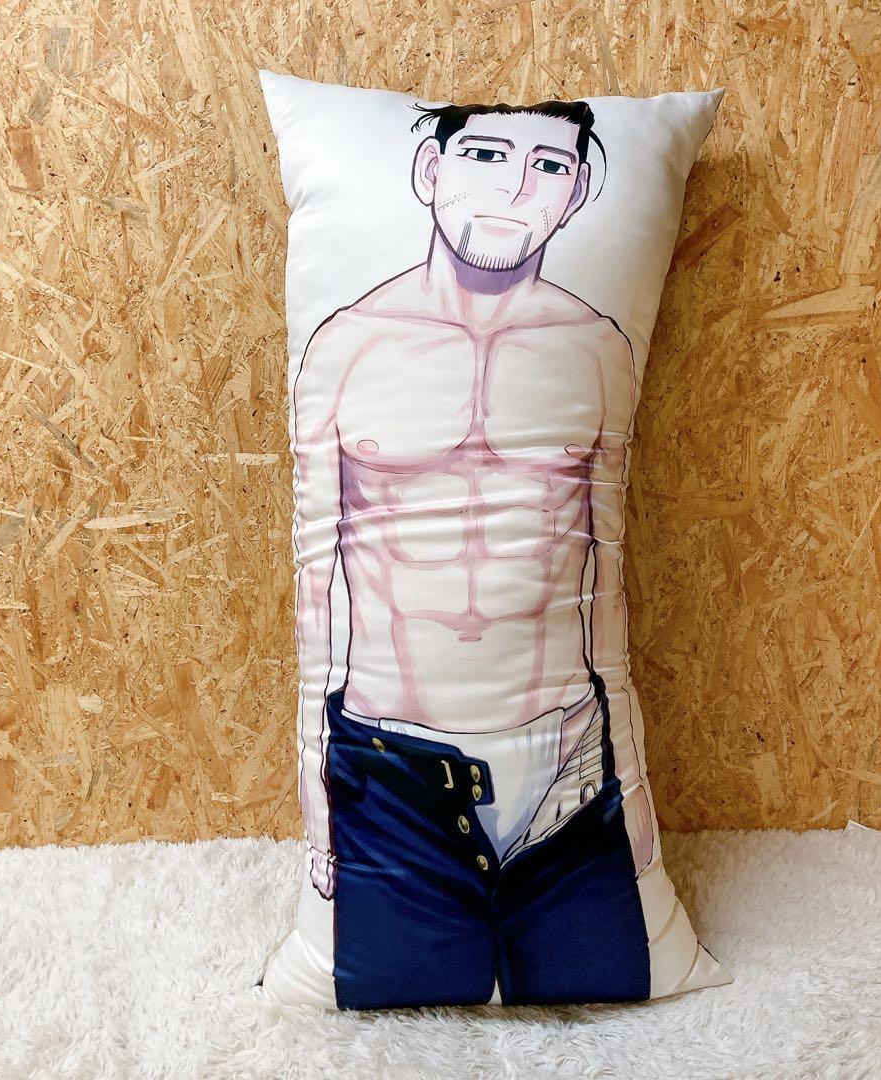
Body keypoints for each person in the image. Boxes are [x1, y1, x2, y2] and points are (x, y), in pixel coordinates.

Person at [290, 98, 658, 1008]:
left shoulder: (596, 349)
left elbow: (607, 577)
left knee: (609, 994)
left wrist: (629, 787)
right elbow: (317, 584)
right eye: (487, 155)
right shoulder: (346, 347)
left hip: (568, 779)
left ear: (579, 193)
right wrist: (317, 792)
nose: (515, 188)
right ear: (430, 172)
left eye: (549, 166)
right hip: (391, 774)